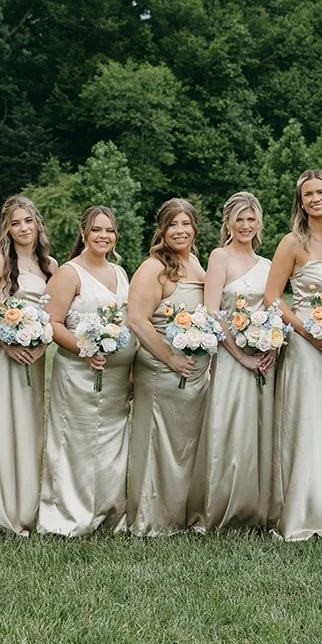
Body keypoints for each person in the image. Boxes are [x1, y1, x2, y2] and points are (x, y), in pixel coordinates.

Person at [263, 169, 322, 541]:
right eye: (308, 194)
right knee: (303, 423)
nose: (316, 199)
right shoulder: (291, 243)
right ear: (300, 203)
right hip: (303, 345)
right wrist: (308, 333)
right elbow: (272, 296)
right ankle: (299, 510)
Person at [39, 206, 135, 537]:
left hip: (117, 378)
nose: (103, 236)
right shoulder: (68, 273)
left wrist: (132, 368)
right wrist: (85, 348)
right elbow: (50, 323)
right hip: (77, 375)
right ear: (83, 234)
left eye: (109, 230)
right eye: (96, 230)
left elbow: (129, 323)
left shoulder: (121, 274)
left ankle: (108, 514)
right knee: (76, 443)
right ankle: (68, 514)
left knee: (111, 445)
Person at [0, 196, 54, 537]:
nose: (23, 228)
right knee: (5, 426)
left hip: (36, 359)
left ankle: (27, 508)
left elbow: (56, 315)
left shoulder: (51, 265)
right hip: (8, 357)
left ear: (37, 225)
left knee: (30, 431)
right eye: (16, 223)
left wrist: (42, 342)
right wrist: (8, 342)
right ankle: (0, 510)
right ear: (6, 228)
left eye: (28, 221)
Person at [126, 198, 211, 536]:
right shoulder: (153, 267)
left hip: (194, 373)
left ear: (194, 228)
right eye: (172, 224)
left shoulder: (197, 264)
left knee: (186, 444)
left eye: (185, 224)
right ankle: (153, 517)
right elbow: (137, 320)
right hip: (162, 370)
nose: (180, 230)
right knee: (157, 441)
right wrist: (170, 357)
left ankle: (183, 512)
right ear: (161, 230)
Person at [190, 192, 275, 531]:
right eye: (239, 219)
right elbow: (212, 310)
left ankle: (257, 507)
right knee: (230, 427)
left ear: (259, 224)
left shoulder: (268, 265)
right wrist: (241, 355)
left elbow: (271, 310)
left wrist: (270, 347)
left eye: (251, 219)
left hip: (264, 361)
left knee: (259, 429)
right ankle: (224, 507)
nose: (245, 225)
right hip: (230, 358)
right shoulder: (219, 256)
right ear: (228, 222)